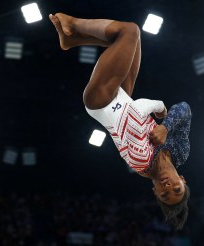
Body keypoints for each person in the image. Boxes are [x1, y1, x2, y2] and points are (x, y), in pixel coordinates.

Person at [49, 12, 192, 230]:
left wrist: (162, 111)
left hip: (102, 100)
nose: (168, 186)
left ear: (154, 191)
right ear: (183, 180)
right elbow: (185, 109)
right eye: (176, 189)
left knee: (129, 31)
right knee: (133, 37)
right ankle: (72, 40)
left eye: (164, 194)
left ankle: (73, 24)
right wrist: (166, 126)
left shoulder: (140, 161)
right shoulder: (181, 152)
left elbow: (140, 107)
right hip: (123, 96)